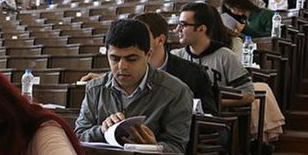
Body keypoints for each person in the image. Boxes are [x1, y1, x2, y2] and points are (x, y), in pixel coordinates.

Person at [75, 19, 193, 154]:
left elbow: (177, 149)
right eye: (114, 58)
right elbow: (78, 137)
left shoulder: (176, 92)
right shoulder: (94, 88)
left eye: (132, 59)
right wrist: (102, 130)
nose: (122, 67)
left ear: (148, 55)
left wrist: (154, 148)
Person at [79, 13, 218, 116]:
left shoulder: (191, 75)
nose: (122, 66)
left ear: (160, 40)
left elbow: (209, 121)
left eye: (141, 34)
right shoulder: (108, 81)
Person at [171, 2, 255, 108]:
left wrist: (211, 104)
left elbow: (248, 94)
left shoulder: (225, 56)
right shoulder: (176, 56)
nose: (177, 29)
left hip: (213, 119)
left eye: (183, 25)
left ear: (201, 29)